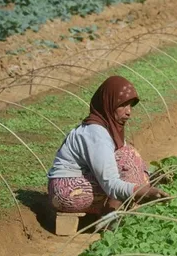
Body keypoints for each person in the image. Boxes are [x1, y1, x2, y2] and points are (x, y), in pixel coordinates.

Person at [47, 76, 169, 217]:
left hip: (74, 185)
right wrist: (141, 190)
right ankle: (110, 216)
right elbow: (111, 183)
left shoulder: (105, 128)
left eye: (130, 105)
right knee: (129, 167)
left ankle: (118, 206)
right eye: (123, 105)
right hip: (67, 192)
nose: (129, 112)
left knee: (129, 157)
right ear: (108, 104)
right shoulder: (96, 134)